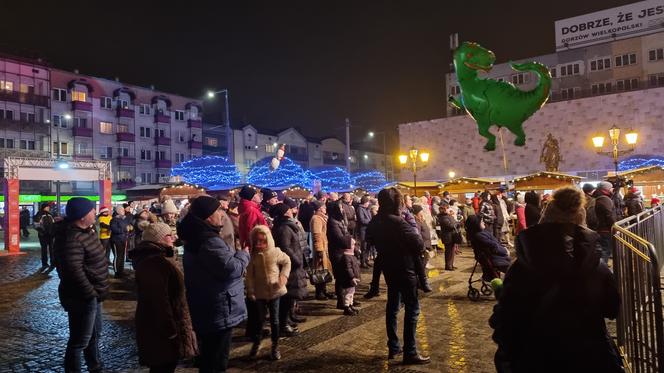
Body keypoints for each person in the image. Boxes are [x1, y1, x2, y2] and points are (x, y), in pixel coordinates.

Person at [490, 187, 622, 373]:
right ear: (581, 223)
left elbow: (504, 319)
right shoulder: (596, 267)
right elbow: (611, 308)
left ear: (545, 220)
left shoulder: (521, 267)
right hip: (588, 357)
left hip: (536, 358)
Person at [178, 195, 250, 373]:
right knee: (216, 359)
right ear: (208, 216)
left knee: (210, 356)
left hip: (210, 304)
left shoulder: (199, 236)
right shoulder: (208, 241)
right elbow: (231, 269)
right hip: (218, 307)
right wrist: (243, 254)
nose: (222, 213)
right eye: (218, 210)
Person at [367, 188, 430, 365]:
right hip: (406, 269)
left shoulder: (375, 221)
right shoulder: (399, 222)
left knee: (392, 307)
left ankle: (394, 346)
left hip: (389, 269)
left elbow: (370, 239)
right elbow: (418, 244)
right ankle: (410, 351)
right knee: (412, 308)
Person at [131, 223, 198, 373]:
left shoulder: (159, 258)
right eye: (169, 235)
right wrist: (171, 331)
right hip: (161, 331)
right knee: (162, 367)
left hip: (162, 329)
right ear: (159, 239)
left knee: (165, 366)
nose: (173, 238)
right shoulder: (155, 262)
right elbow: (158, 302)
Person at [52, 197, 109, 373]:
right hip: (82, 296)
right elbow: (72, 271)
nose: (95, 213)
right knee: (79, 341)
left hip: (94, 294)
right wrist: (89, 292)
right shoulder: (72, 238)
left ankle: (95, 366)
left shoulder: (87, 231)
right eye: (92, 210)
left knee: (94, 336)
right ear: (82, 216)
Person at [245, 225, 291, 361]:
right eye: (257, 241)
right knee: (259, 320)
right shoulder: (253, 255)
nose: (260, 244)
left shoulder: (275, 252)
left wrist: (283, 276)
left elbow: (287, 261)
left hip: (274, 291)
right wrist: (250, 290)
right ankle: (257, 342)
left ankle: (275, 346)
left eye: (263, 241)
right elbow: (250, 276)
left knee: (275, 320)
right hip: (259, 292)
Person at [271, 203, 308, 336]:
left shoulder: (287, 226)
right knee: (286, 296)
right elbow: (285, 247)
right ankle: (283, 325)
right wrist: (297, 260)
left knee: (290, 295)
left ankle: (287, 319)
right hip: (290, 266)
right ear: (285, 213)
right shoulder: (284, 228)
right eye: (288, 209)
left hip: (293, 265)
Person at [327, 200, 356, 310]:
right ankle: (342, 301)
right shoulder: (333, 222)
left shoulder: (340, 220)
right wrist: (351, 241)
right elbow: (339, 238)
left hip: (343, 250)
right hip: (337, 252)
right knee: (341, 276)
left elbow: (346, 232)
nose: (342, 209)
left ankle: (347, 300)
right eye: (340, 207)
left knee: (345, 276)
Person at [310, 200, 335, 300]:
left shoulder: (321, 217)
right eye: (324, 207)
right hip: (321, 248)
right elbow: (317, 235)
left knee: (324, 269)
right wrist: (319, 249)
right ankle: (319, 292)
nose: (325, 209)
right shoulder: (316, 219)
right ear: (320, 208)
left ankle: (324, 291)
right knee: (320, 270)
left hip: (324, 246)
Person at [594, 181, 617, 264]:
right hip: (605, 229)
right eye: (610, 188)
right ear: (606, 189)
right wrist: (615, 226)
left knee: (605, 250)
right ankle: (601, 271)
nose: (612, 189)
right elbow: (609, 215)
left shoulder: (600, 197)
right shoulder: (604, 199)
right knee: (605, 250)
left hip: (602, 228)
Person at [412, 205, 434, 290]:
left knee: (423, 265)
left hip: (427, 245)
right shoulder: (416, 223)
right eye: (420, 214)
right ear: (416, 214)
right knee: (420, 266)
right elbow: (419, 236)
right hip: (423, 247)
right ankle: (419, 282)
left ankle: (420, 282)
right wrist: (423, 248)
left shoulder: (422, 220)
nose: (422, 215)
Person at [338, 243, 361, 316]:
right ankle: (346, 307)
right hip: (349, 279)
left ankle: (350, 305)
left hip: (353, 279)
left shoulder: (352, 256)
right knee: (348, 294)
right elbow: (348, 269)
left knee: (352, 293)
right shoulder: (346, 257)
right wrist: (352, 277)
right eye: (353, 245)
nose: (355, 247)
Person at [34, 202, 56, 270]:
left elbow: (53, 223)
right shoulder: (39, 214)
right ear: (44, 207)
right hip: (43, 235)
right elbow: (36, 225)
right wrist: (42, 232)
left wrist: (53, 231)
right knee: (44, 250)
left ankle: (52, 263)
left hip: (50, 235)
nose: (49, 208)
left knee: (52, 249)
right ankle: (45, 264)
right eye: (47, 207)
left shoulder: (50, 214)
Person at [110, 206, 129, 278]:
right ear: (118, 211)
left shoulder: (124, 219)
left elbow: (127, 228)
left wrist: (127, 232)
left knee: (122, 256)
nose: (124, 210)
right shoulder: (114, 220)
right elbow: (114, 229)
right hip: (116, 240)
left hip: (123, 240)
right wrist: (124, 230)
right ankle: (116, 273)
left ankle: (121, 271)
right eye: (122, 210)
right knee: (117, 256)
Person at [439, 206, 460, 271]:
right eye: (448, 209)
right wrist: (456, 224)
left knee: (452, 251)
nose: (450, 210)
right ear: (445, 210)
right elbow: (450, 226)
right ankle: (448, 266)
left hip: (451, 236)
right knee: (448, 252)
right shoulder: (443, 218)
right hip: (447, 237)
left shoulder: (449, 216)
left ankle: (451, 264)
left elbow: (454, 223)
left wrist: (456, 223)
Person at [356, 195, 373, 268]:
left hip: (368, 230)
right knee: (364, 247)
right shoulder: (360, 209)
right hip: (363, 230)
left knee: (368, 246)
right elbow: (362, 220)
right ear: (365, 202)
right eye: (368, 202)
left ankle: (366, 260)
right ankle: (362, 262)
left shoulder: (367, 209)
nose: (369, 203)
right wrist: (371, 221)